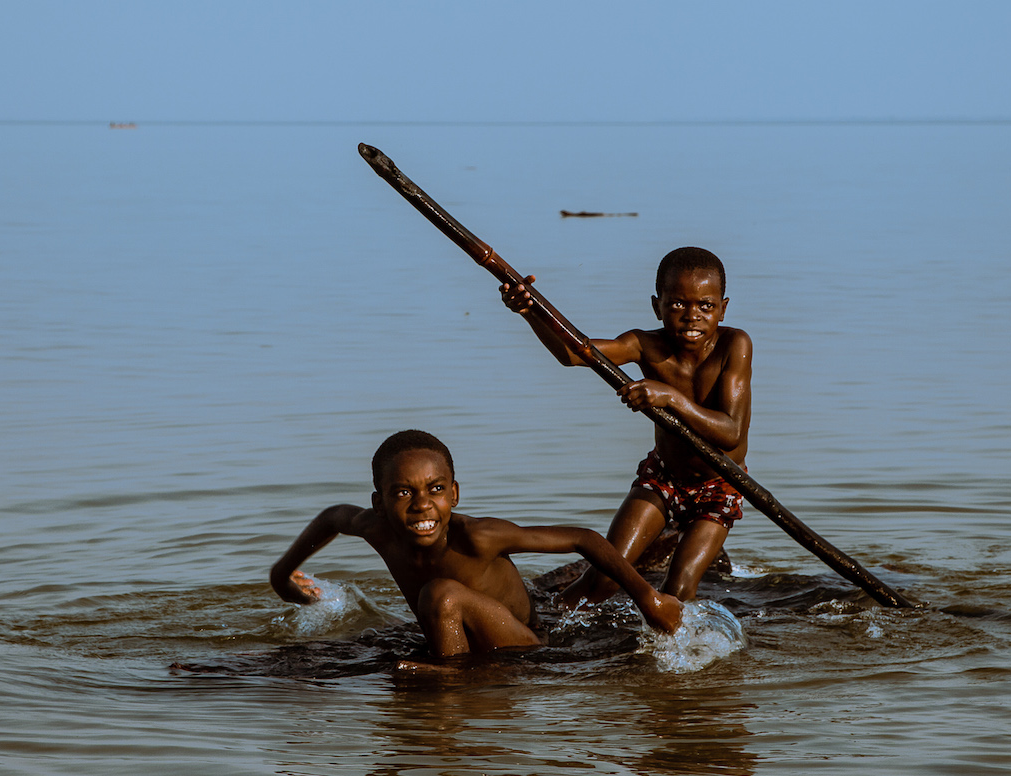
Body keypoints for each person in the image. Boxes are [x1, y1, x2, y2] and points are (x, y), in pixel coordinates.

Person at [269, 429, 683, 663]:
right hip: (454, 627)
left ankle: (452, 677)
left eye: (435, 489)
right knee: (438, 599)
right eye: (402, 493)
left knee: (441, 592)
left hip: (524, 641)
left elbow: (583, 538)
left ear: (455, 493)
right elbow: (332, 517)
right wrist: (282, 575)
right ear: (379, 503)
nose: (421, 506)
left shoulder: (478, 536)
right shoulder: (376, 528)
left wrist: (649, 600)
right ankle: (448, 662)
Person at [501, 246, 749, 605]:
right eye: (677, 305)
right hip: (665, 476)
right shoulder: (644, 344)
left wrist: (671, 398)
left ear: (723, 308)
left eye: (706, 306)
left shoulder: (734, 345)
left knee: (678, 591)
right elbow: (575, 353)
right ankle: (543, 632)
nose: (692, 316)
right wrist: (529, 310)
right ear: (657, 306)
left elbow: (730, 433)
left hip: (719, 483)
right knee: (602, 577)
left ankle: (671, 655)